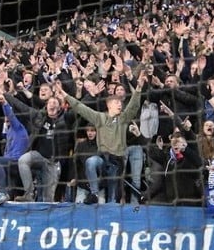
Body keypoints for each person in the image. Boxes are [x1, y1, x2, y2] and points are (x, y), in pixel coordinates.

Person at [55, 70, 147, 204]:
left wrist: (138, 88)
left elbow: (134, 106)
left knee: (113, 197)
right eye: (117, 103)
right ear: (109, 105)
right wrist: (65, 95)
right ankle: (94, 194)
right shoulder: (99, 117)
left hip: (117, 162)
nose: (120, 105)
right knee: (91, 162)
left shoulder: (123, 118)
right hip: (102, 159)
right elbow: (80, 107)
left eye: (120, 104)